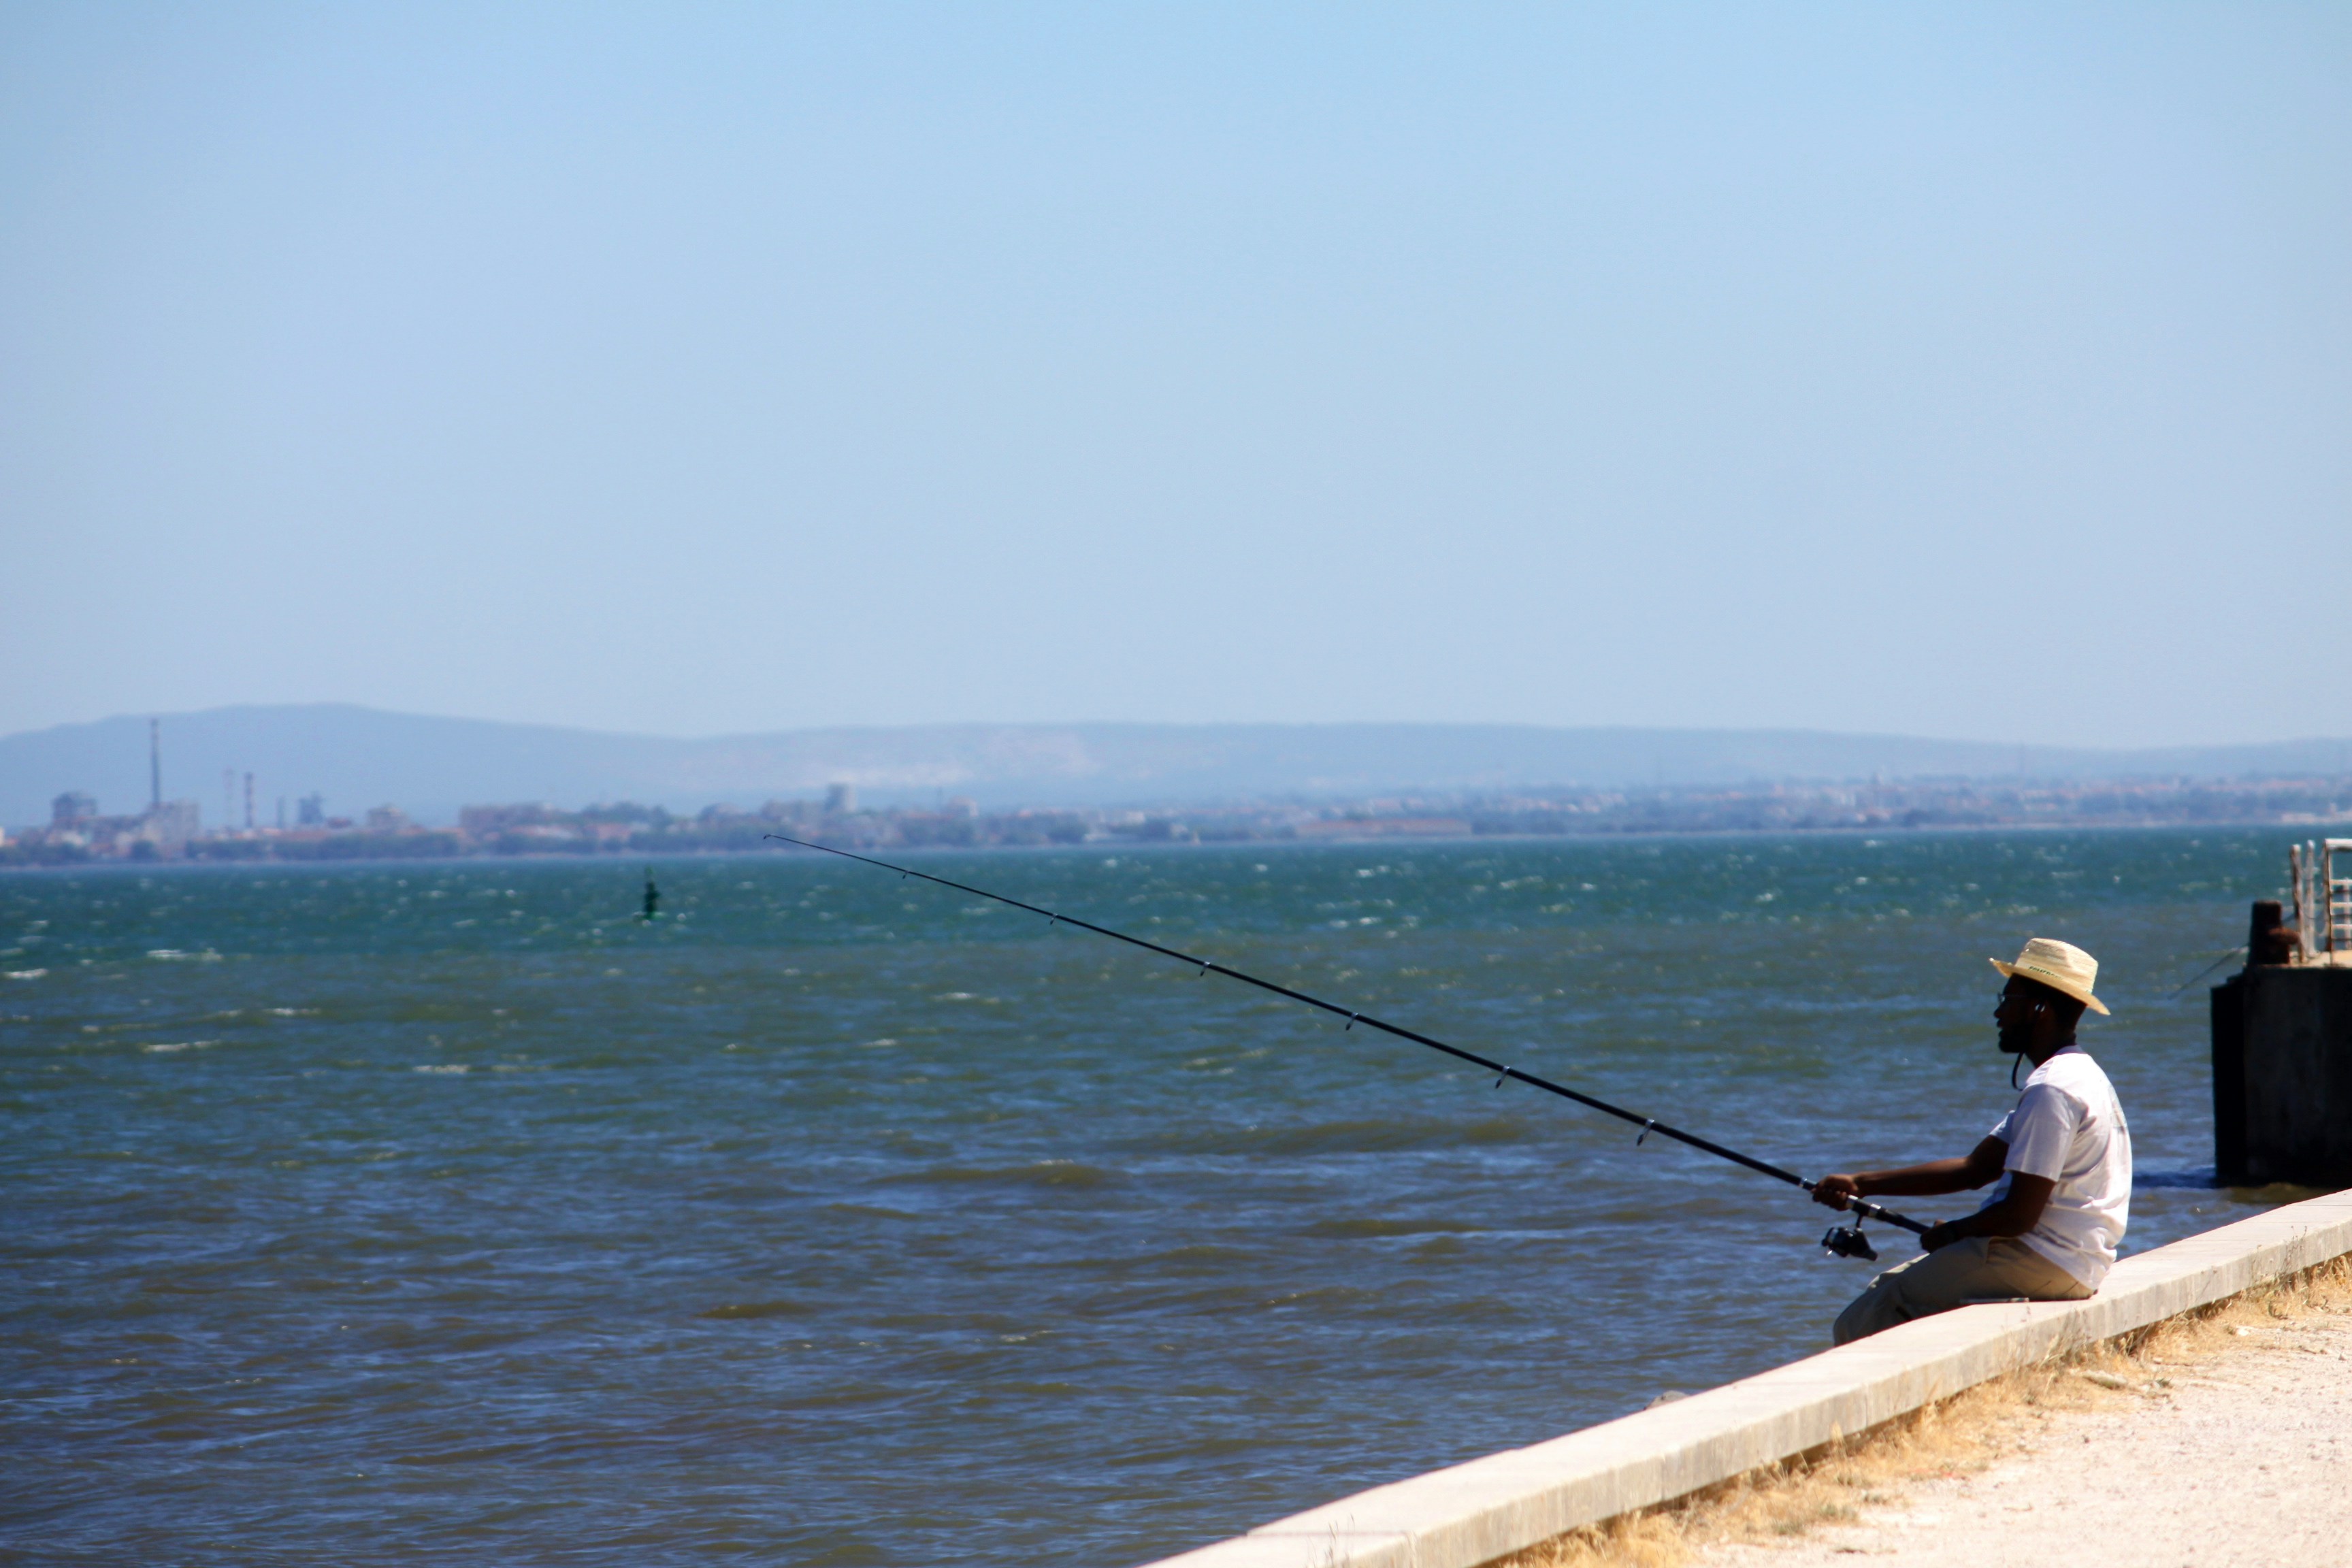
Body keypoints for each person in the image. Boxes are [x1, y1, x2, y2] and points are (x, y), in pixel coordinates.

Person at [1814, 936, 2132, 1345]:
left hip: (2045, 1258)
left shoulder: (2052, 1090)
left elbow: (2019, 1216)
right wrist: (1860, 1183)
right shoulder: (2080, 1076)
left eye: (2008, 998)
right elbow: (1974, 1169)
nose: (1999, 1011)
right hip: (2074, 1258)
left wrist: (1956, 1233)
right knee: (1893, 1285)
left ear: (2039, 1009)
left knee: (1869, 1315)